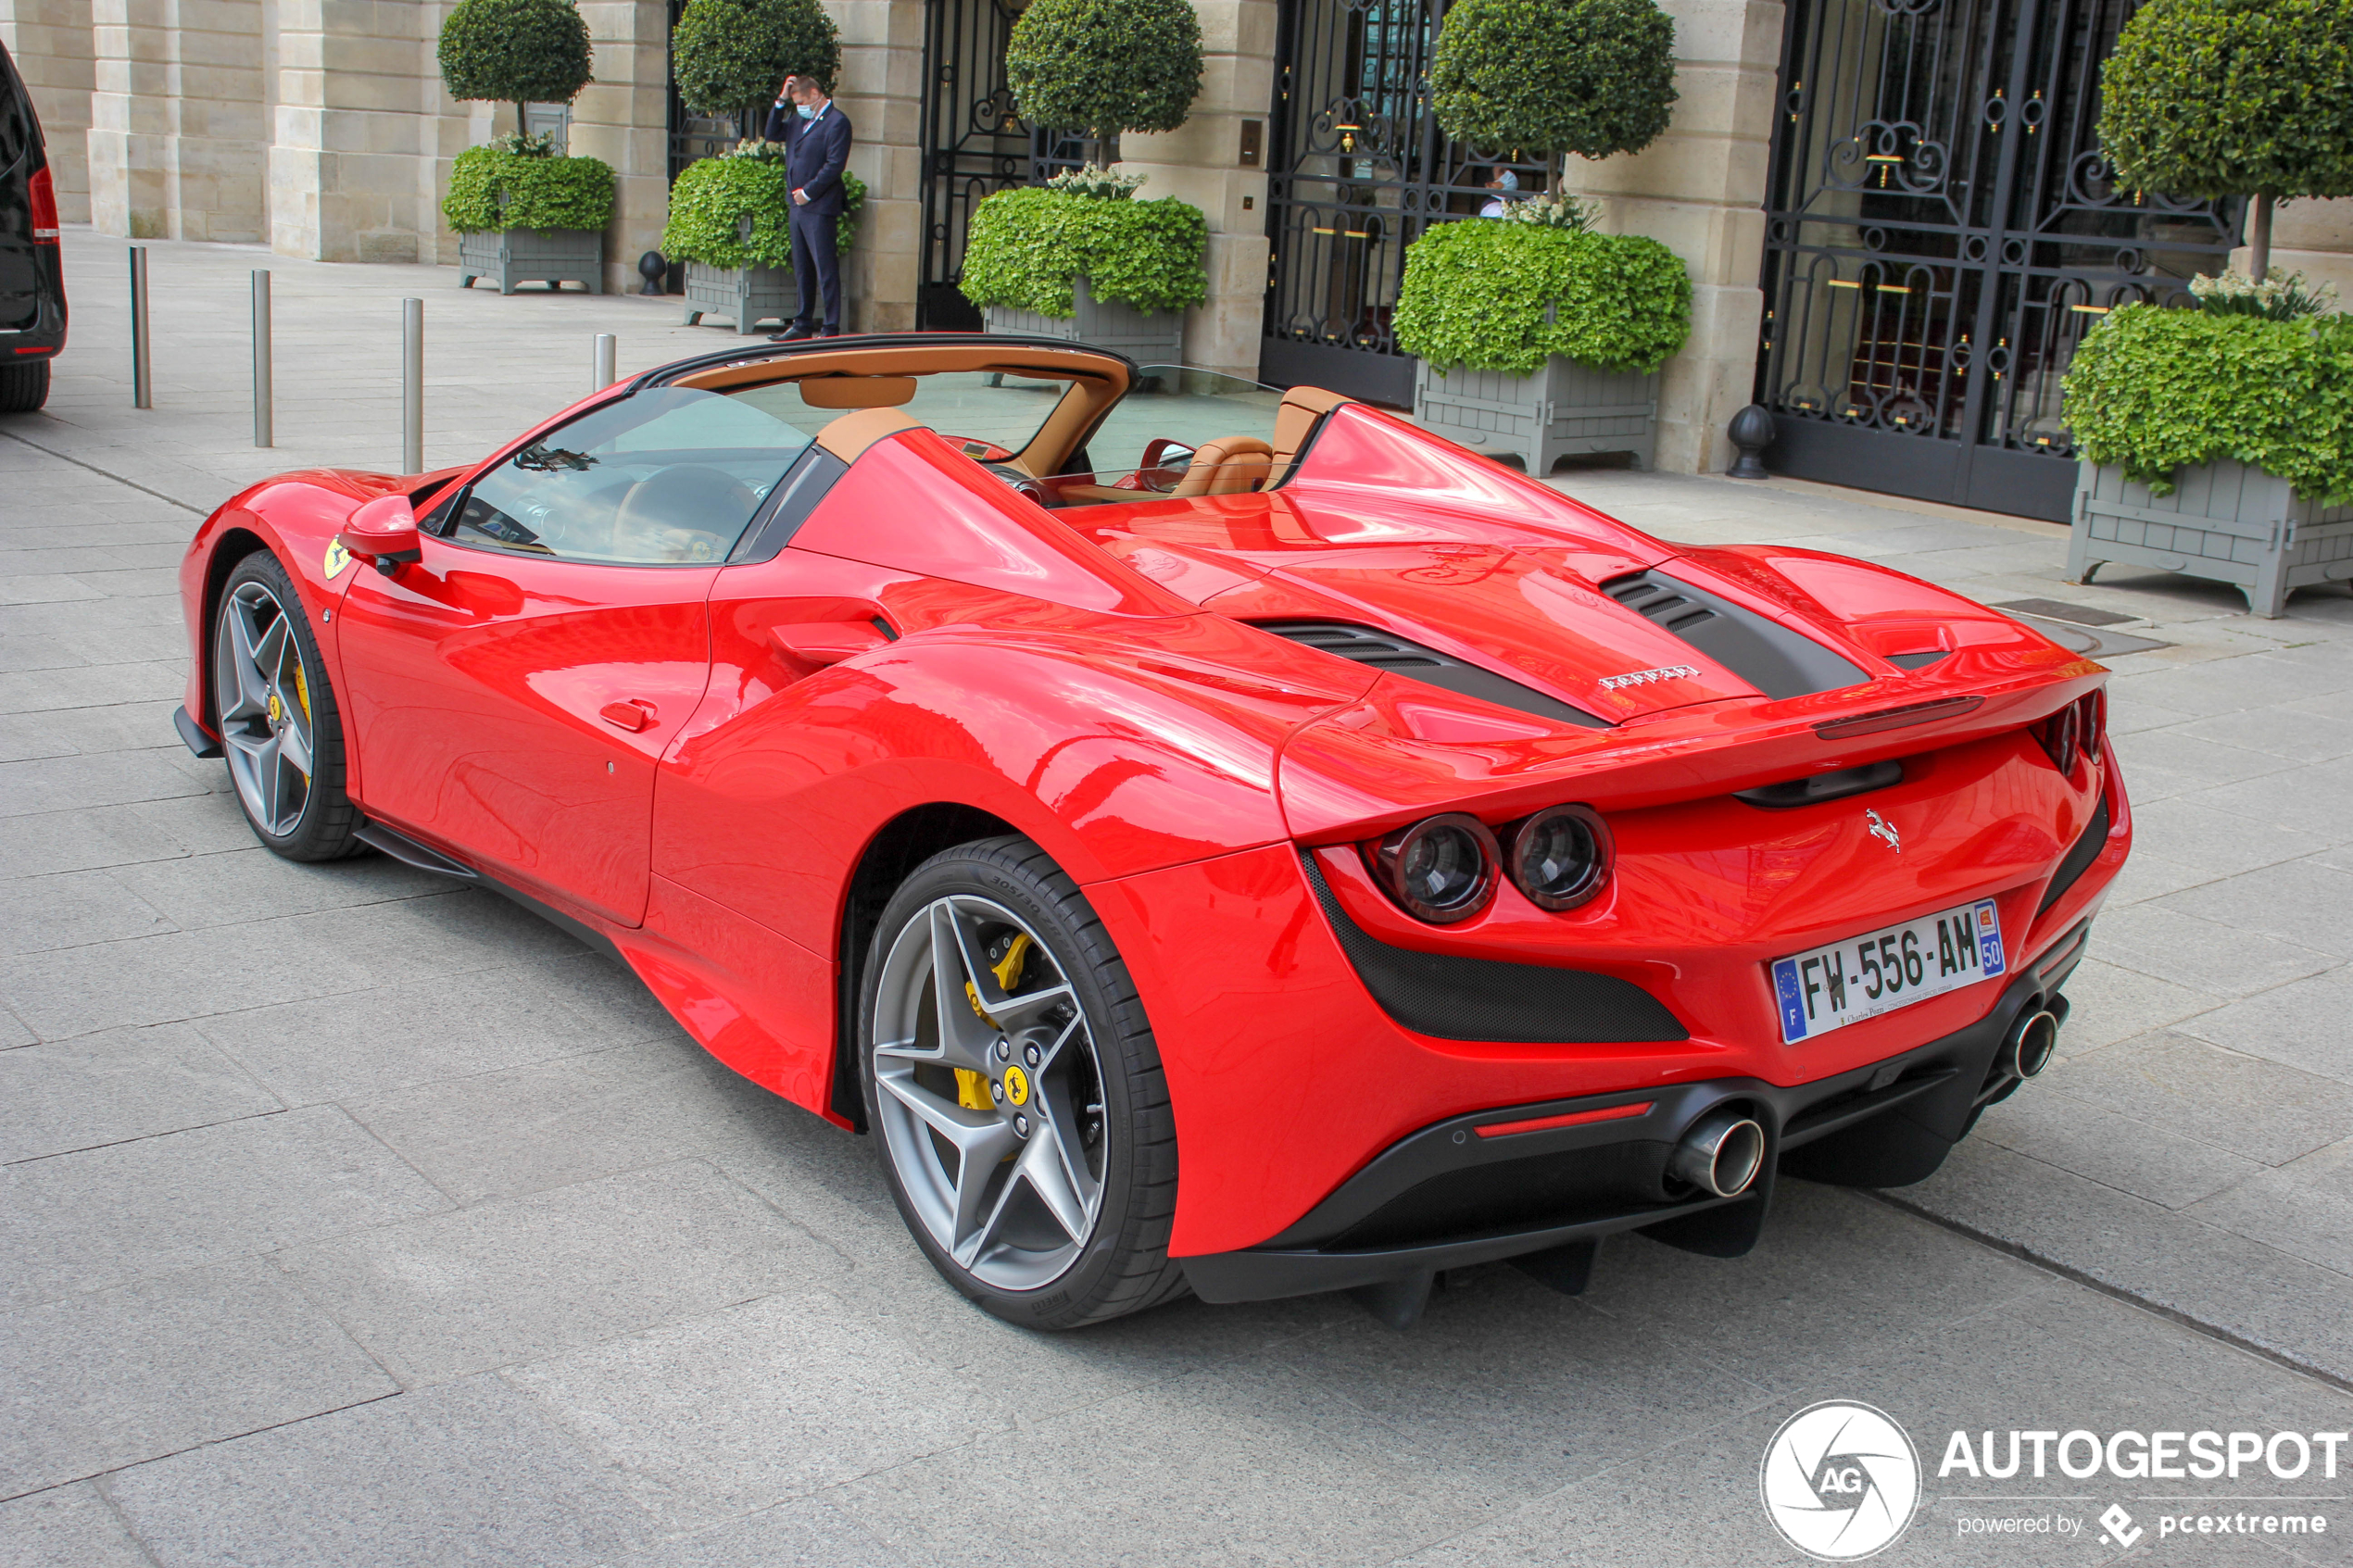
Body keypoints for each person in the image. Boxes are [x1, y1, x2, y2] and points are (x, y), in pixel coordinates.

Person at [765, 74, 853, 340]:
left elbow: (834, 165)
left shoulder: (837, 123)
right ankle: (802, 324)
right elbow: (771, 133)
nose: (799, 106)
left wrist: (809, 192)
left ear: (815, 94)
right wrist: (781, 100)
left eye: (801, 101)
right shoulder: (798, 120)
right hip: (797, 205)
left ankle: (830, 327)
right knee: (802, 266)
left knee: (824, 267)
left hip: (819, 205)